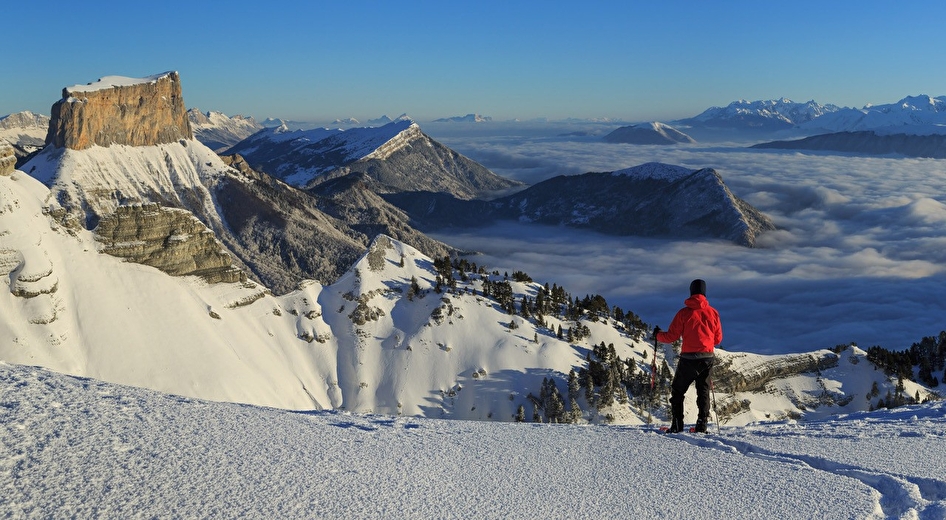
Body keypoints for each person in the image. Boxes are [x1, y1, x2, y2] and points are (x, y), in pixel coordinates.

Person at [653, 279, 722, 433]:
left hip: (688, 359)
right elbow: (717, 339)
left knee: (678, 391)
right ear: (704, 293)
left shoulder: (684, 313)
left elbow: (671, 336)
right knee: (703, 391)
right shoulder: (713, 313)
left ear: (691, 292)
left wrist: (657, 335)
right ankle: (701, 426)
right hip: (707, 358)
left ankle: (677, 425)